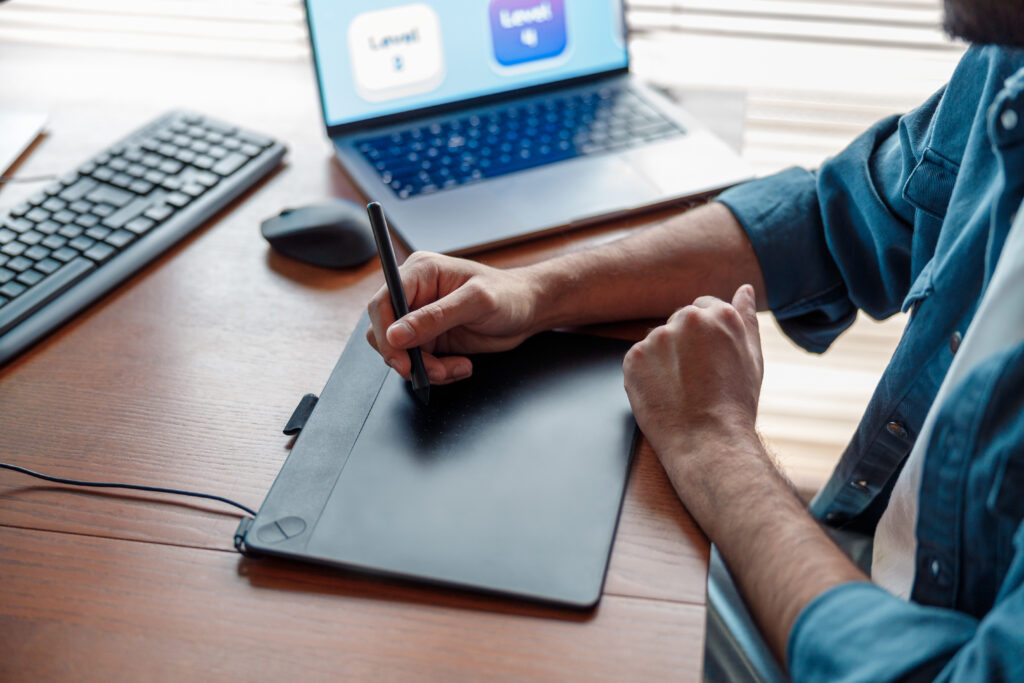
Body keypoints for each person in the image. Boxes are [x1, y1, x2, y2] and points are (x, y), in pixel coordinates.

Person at [366, 1, 1024, 679]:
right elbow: (834, 217)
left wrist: (712, 442)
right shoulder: (1009, 59)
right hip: (868, 563)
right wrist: (535, 292)